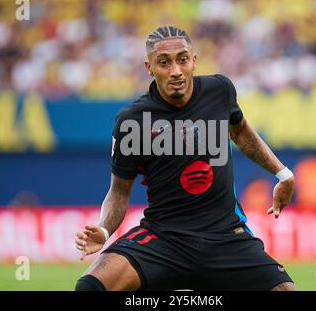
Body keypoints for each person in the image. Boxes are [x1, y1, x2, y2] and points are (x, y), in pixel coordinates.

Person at [75, 26, 295, 291]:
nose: (176, 71)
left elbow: (241, 133)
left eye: (182, 59)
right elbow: (119, 192)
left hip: (224, 236)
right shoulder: (131, 122)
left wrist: (283, 174)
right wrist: (104, 231)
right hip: (163, 239)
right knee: (90, 288)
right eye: (164, 62)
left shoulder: (220, 91)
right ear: (149, 67)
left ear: (193, 60)